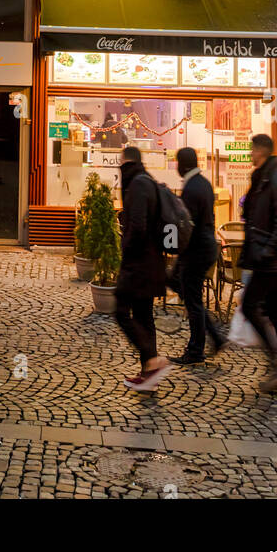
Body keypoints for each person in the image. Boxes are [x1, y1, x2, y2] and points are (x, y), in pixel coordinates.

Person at [239, 133, 277, 393]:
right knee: (276, 313)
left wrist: (266, 251)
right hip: (273, 258)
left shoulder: (275, 179)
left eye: (252, 150)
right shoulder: (263, 178)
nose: (250, 154)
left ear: (261, 151)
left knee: (250, 306)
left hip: (271, 260)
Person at [114, 146, 170, 392]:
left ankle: (152, 361)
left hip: (138, 264)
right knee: (144, 316)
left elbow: (137, 227)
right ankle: (149, 375)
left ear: (127, 162)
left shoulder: (137, 185)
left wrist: (126, 252)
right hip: (152, 262)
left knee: (121, 311)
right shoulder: (148, 182)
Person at [170, 147, 226, 364]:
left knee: (192, 300)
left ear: (182, 165)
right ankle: (214, 337)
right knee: (191, 296)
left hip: (196, 251)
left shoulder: (192, 188)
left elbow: (187, 226)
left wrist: (175, 247)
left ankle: (196, 350)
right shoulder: (203, 183)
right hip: (205, 248)